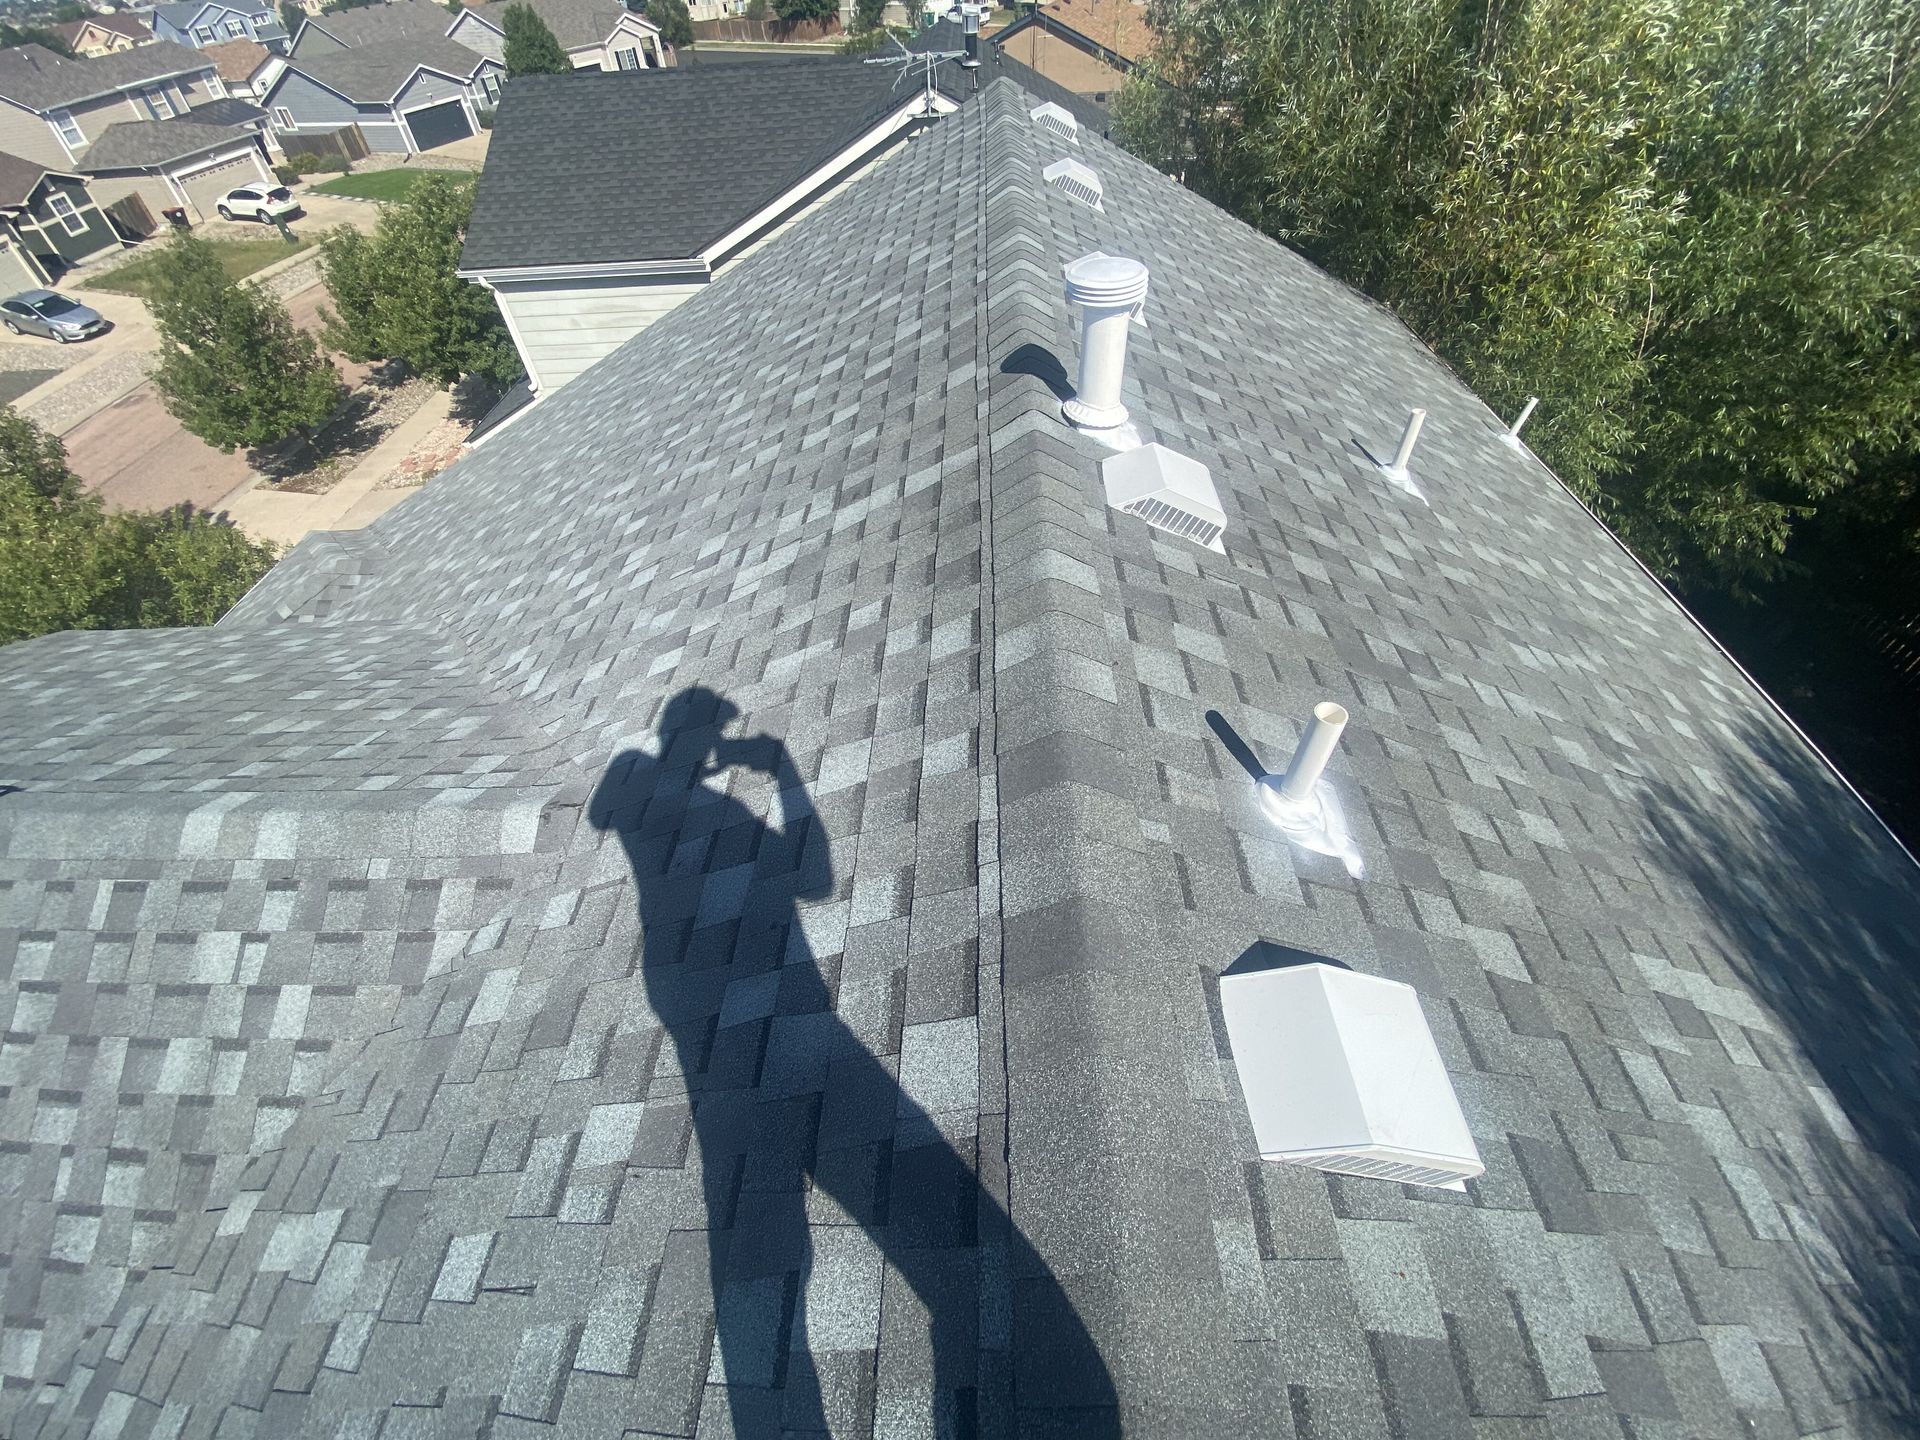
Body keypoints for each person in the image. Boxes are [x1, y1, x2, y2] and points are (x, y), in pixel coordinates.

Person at [589, 686, 1118, 1436]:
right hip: (766, 1007)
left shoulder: (645, 794)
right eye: (710, 730)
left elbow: (621, 814)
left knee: (757, 1235)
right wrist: (783, 777)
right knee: (819, 1238)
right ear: (701, 736)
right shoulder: (704, 802)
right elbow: (812, 879)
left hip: (700, 1004)